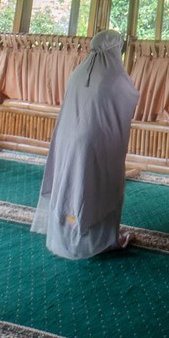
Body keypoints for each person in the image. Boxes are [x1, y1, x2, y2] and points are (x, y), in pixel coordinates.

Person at [31, 29, 139, 259]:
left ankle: (67, 236)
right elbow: (130, 97)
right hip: (97, 142)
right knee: (97, 188)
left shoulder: (78, 72)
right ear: (113, 50)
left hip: (68, 139)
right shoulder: (114, 77)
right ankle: (99, 241)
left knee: (72, 186)